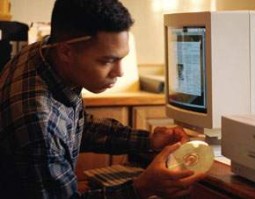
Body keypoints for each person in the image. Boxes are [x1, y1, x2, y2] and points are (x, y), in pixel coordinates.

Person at [0, 0, 203, 198]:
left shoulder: (41, 52)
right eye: (107, 61)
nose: (120, 72)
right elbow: (51, 133)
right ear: (66, 52)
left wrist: (148, 140)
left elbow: (73, 125)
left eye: (121, 58)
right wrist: (142, 187)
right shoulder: (38, 126)